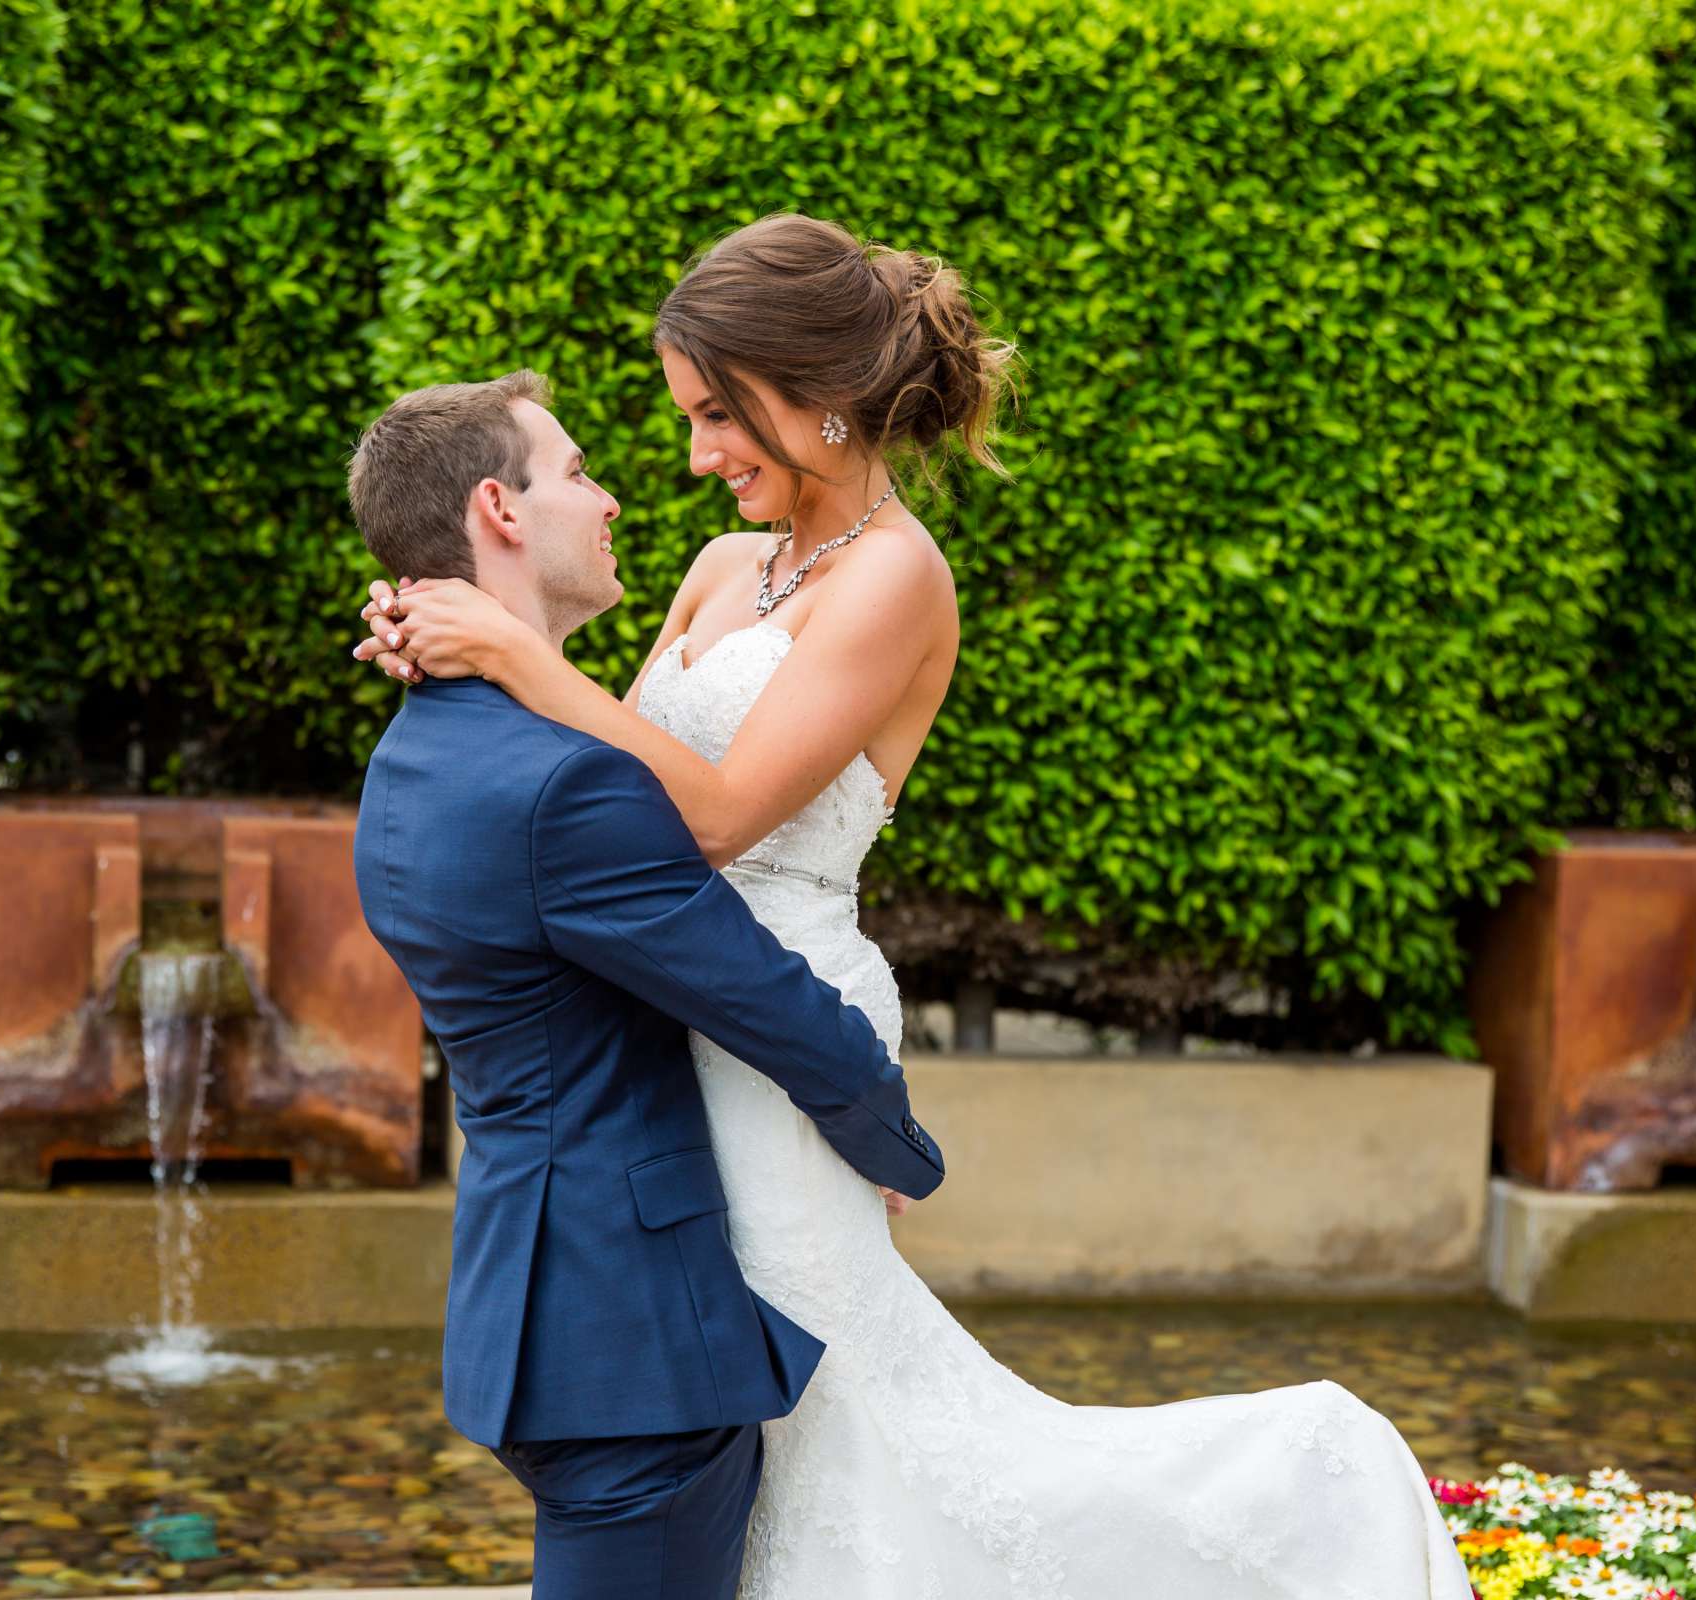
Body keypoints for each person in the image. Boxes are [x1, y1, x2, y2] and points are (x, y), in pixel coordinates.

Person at [353, 214, 1472, 1598]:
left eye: (718, 416)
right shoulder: (715, 570)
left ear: (816, 397)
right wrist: (442, 645)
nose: (698, 455)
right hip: (678, 1040)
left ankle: (1311, 1484)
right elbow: (591, 783)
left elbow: (713, 812)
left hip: (779, 1031)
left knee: (854, 1425)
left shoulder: (898, 577)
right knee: (782, 1436)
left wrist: (512, 653)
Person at [344, 365, 946, 1600]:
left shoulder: (417, 760)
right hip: (634, 1334)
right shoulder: (562, 785)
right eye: (577, 470)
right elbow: (755, 976)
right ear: (500, 515)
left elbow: (629, 794)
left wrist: (476, 651)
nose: (626, 489)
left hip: (546, 1280)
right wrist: (898, 1146)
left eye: (710, 414)